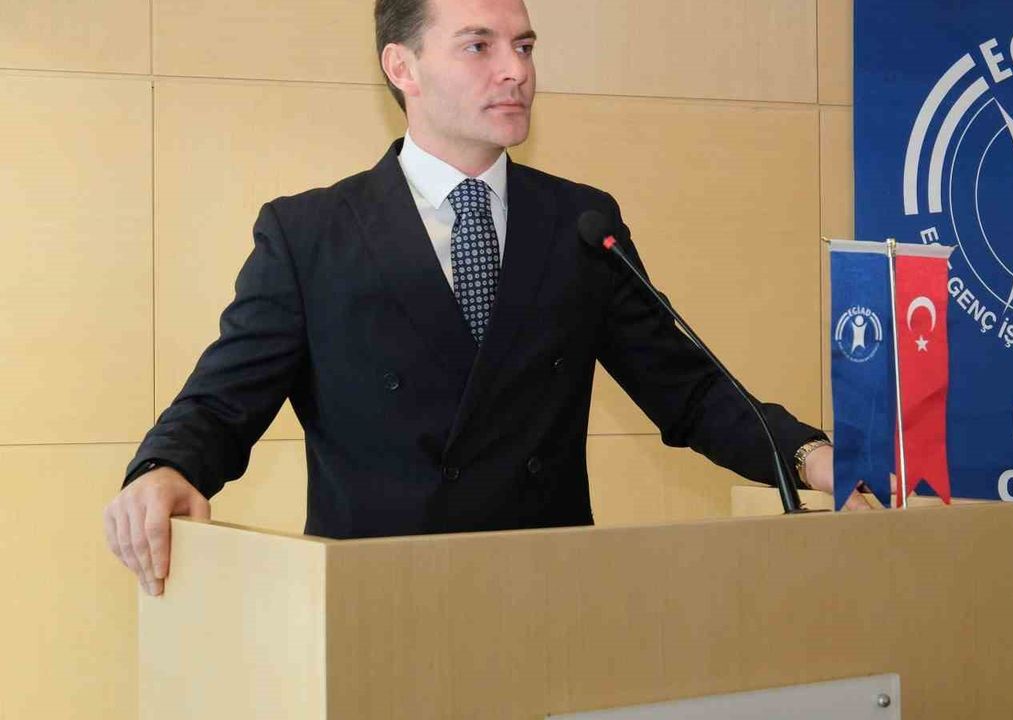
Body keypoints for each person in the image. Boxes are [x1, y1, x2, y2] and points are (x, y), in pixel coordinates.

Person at [103, 0, 838, 597]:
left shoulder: (580, 223)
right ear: (402, 66)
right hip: (375, 606)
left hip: (549, 599)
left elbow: (689, 392)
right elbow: (220, 405)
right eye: (479, 46)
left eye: (525, 46)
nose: (516, 70)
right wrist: (165, 469)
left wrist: (809, 456)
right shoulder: (311, 234)